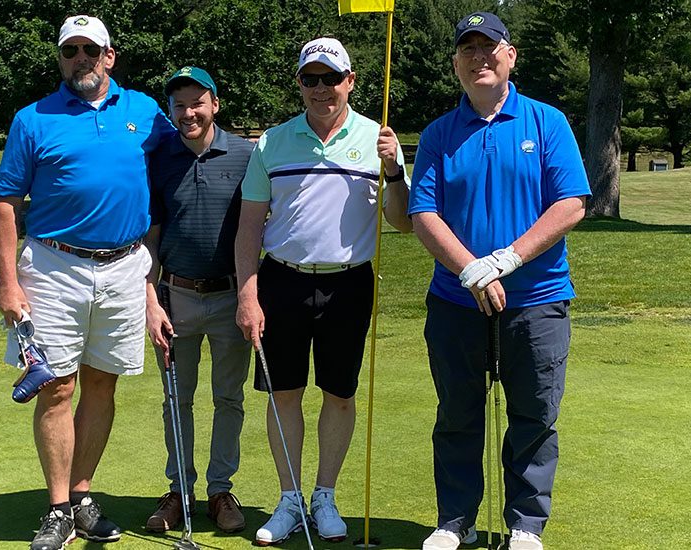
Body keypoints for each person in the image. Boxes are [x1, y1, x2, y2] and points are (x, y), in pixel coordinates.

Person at [408, 12, 591, 550]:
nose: (479, 57)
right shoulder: (439, 134)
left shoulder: (546, 122)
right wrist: (470, 269)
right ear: (456, 64)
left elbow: (572, 204)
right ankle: (455, 520)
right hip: (456, 301)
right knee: (457, 415)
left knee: (534, 416)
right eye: (468, 49)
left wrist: (506, 259)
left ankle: (525, 526)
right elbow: (423, 213)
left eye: (489, 47)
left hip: (536, 300)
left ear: (510, 56)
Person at [0, 15, 173, 550]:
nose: (80, 59)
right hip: (53, 266)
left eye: (90, 50)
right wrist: (8, 283)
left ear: (109, 55)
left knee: (101, 384)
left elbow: (184, 156)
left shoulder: (144, 111)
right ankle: (57, 510)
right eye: (70, 51)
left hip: (124, 266)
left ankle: (81, 497)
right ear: (61, 58)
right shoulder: (32, 119)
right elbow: (6, 203)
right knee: (56, 386)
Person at [234, 37, 412, 545]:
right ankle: (289, 499)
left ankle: (325, 496)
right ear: (299, 84)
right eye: (310, 79)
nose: (321, 88)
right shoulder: (273, 142)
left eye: (331, 78)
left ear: (349, 82)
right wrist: (248, 294)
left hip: (349, 283)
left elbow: (402, 221)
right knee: (283, 393)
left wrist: (393, 170)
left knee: (339, 394)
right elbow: (249, 228)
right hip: (282, 280)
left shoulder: (378, 139)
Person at [143, 66, 253, 534]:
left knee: (228, 397)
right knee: (176, 399)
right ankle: (179, 491)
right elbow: (150, 238)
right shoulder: (159, 158)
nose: (188, 113)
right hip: (175, 297)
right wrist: (150, 300)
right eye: (179, 105)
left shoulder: (246, 155)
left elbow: (259, 228)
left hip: (231, 296)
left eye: (197, 103)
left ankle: (220, 490)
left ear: (215, 105)